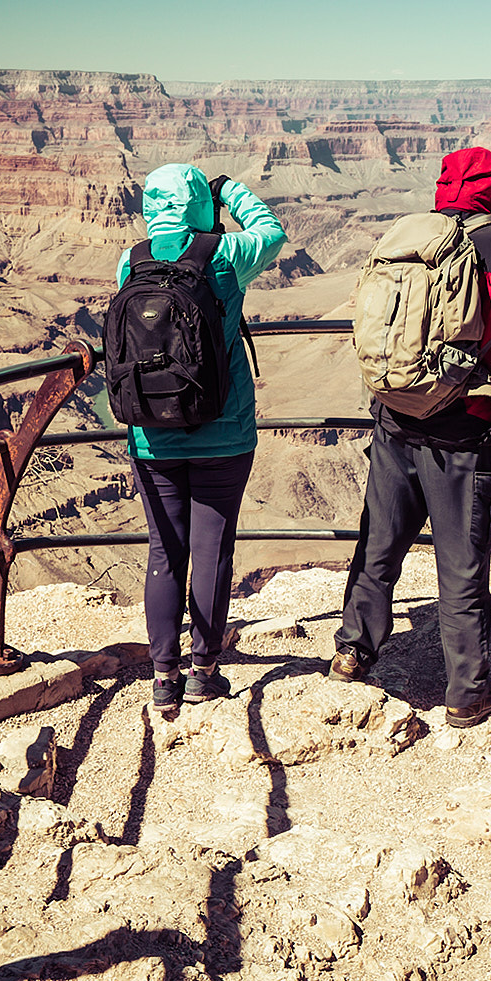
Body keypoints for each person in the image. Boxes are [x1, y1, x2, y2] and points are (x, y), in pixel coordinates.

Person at [332, 145, 491, 727]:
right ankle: (468, 691)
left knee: (380, 540)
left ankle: (353, 649)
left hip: (395, 413)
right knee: (461, 563)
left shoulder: (414, 237)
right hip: (462, 429)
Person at [119, 164, 285, 710]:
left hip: (152, 436)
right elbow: (272, 230)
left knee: (165, 552)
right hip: (223, 432)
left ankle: (163, 678)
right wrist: (226, 191)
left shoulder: (132, 259)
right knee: (211, 553)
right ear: (195, 203)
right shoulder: (224, 253)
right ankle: (202, 670)